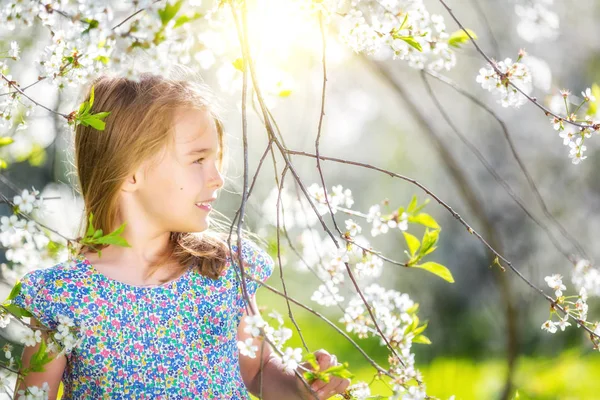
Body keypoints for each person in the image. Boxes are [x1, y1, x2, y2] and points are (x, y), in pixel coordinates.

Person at [10, 72, 350, 399]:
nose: (217, 177)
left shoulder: (222, 270)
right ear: (129, 174)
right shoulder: (62, 297)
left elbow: (257, 370)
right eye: (198, 159)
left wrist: (301, 386)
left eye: (216, 160)